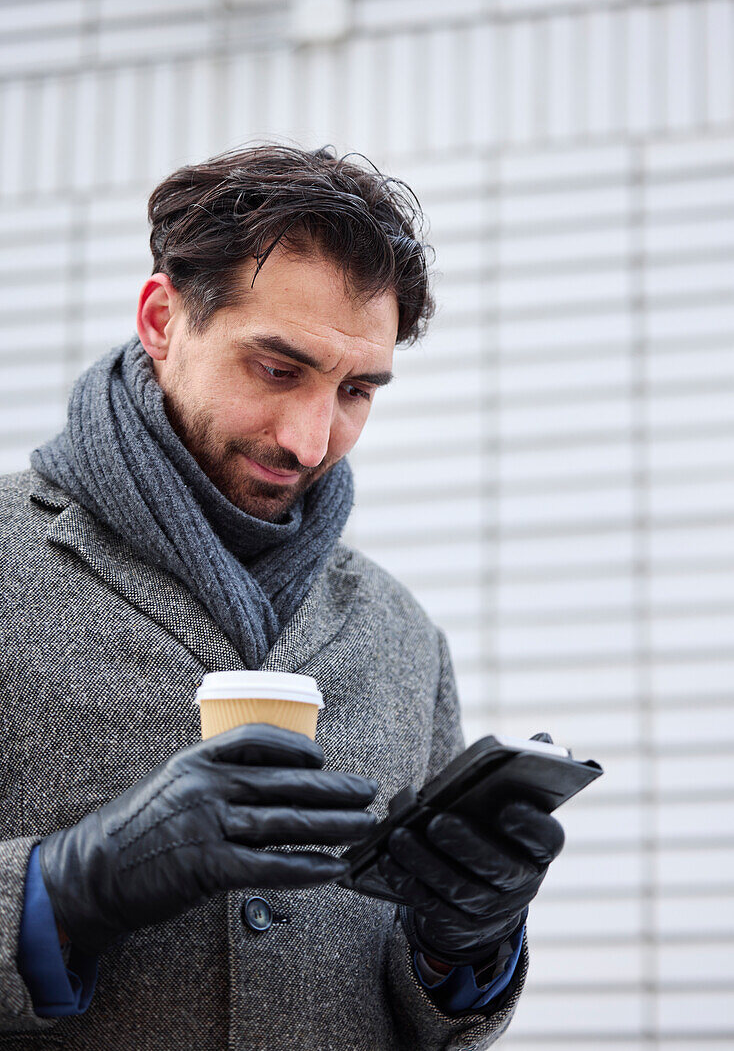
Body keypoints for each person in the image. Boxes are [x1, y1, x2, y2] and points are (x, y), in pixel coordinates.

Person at [0, 145, 564, 1050]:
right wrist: (68, 888)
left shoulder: (400, 633)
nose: (310, 440)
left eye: (355, 391)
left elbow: (433, 1028)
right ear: (161, 318)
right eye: (276, 368)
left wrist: (465, 948)